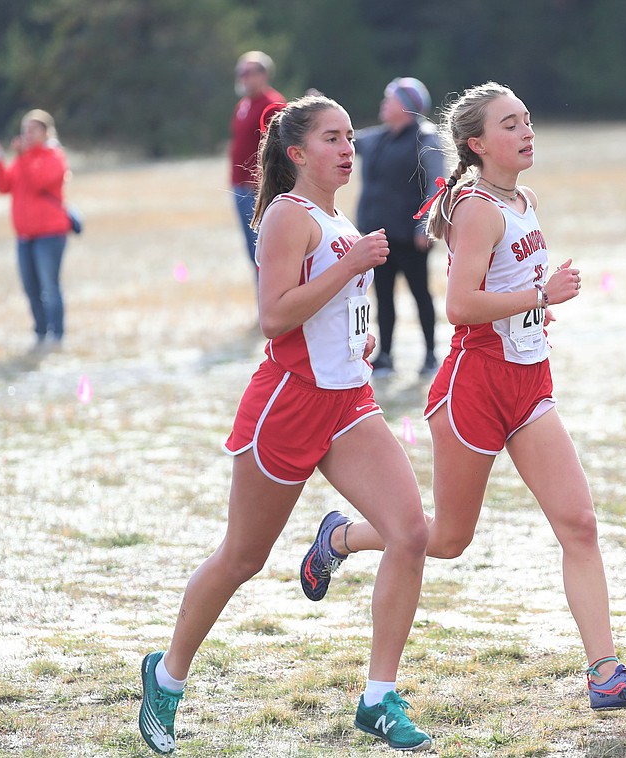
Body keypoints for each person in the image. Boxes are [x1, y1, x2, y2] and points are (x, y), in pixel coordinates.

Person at [299, 82, 626, 712]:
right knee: (447, 540)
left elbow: (509, 290)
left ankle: (605, 676)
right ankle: (339, 538)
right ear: (477, 144)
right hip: (474, 390)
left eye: (528, 120)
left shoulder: (523, 197)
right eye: (511, 124)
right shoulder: (477, 207)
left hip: (530, 384)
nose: (527, 131)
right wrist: (540, 298)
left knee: (579, 524)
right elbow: (460, 306)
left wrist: (533, 312)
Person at [139, 95, 432, 755]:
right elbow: (274, 318)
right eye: (332, 137)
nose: (347, 147)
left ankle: (379, 697)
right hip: (291, 406)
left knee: (410, 534)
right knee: (242, 557)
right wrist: (351, 267)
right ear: (297, 152)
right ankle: (165, 676)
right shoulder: (285, 217)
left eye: (351, 136)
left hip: (349, 404)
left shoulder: (336, 217)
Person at [355, 77, 444, 377]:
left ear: (406, 107)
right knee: (382, 296)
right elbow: (343, 138)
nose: (383, 103)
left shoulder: (426, 140)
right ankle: (386, 356)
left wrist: (426, 228)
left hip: (410, 237)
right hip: (377, 235)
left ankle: (431, 355)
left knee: (421, 294)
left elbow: (437, 186)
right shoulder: (376, 138)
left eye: (389, 98)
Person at [0, 109, 73, 349]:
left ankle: (57, 333)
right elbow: (4, 186)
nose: (27, 134)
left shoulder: (54, 157)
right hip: (25, 236)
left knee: (49, 286)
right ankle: (40, 332)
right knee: (30, 287)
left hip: (50, 234)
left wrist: (23, 156)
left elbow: (39, 181)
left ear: (46, 132)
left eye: (33, 130)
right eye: (24, 130)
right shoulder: (23, 158)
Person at [229, 51, 285, 279]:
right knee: (252, 250)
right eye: (240, 72)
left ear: (264, 75)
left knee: (265, 250)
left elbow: (278, 150)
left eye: (248, 72)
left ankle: (273, 309)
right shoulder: (243, 104)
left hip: (259, 190)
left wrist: (266, 185)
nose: (243, 77)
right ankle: (264, 307)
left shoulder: (272, 105)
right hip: (240, 187)